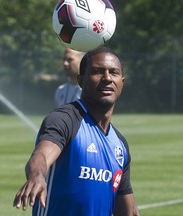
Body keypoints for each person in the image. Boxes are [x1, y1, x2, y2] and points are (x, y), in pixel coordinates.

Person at [13, 47, 141, 216]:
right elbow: (42, 155)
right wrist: (37, 175)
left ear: (122, 82)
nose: (107, 78)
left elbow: (128, 211)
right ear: (80, 80)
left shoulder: (120, 145)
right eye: (97, 71)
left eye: (114, 72)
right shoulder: (65, 119)